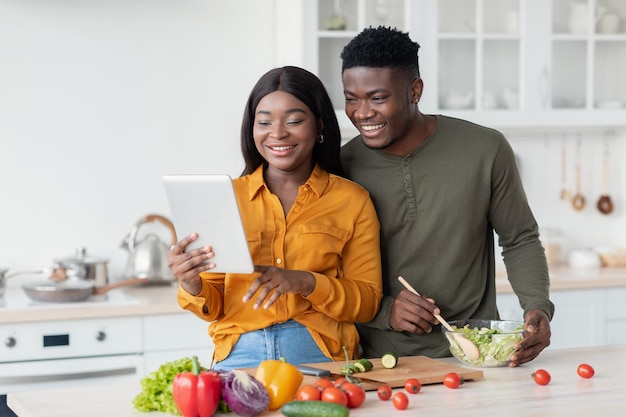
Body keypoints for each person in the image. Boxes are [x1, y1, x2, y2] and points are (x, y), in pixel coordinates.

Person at [339, 26, 554, 367]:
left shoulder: (485, 149)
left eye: (378, 98)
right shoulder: (340, 167)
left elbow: (520, 239)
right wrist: (384, 312)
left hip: (476, 356)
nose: (362, 113)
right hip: (376, 362)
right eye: (352, 98)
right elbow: (330, 269)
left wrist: (538, 305)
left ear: (415, 91)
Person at [167, 66, 383, 370]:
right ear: (252, 129)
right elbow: (212, 305)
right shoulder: (224, 198)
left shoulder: (352, 200)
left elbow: (367, 301)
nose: (278, 133)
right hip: (239, 352)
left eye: (294, 121)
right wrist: (190, 283)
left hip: (319, 351)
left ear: (319, 126)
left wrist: (306, 282)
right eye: (264, 122)